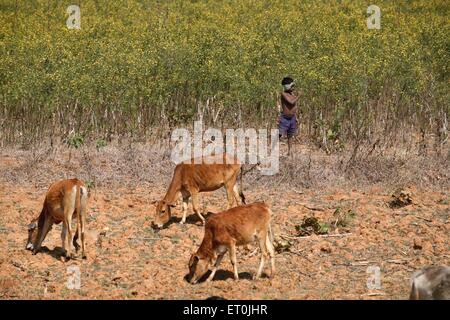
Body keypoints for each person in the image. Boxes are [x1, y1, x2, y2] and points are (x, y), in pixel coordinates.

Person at [278, 76, 299, 156]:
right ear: (288, 86)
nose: (294, 88)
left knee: (290, 135)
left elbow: (294, 106)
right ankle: (270, 148)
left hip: (292, 118)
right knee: (279, 134)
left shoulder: (292, 94)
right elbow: (291, 102)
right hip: (285, 118)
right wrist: (299, 96)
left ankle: (290, 152)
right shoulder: (283, 94)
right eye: (292, 86)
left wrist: (295, 116)